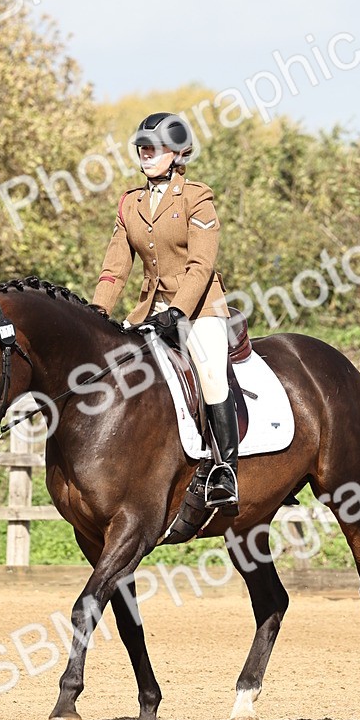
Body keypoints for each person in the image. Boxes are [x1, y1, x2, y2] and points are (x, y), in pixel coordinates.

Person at [91, 112, 239, 511]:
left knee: (209, 372)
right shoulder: (130, 203)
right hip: (149, 310)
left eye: (154, 147)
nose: (145, 153)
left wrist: (177, 311)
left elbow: (201, 265)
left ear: (176, 153)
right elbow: (115, 269)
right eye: (142, 146)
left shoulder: (197, 197)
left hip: (200, 307)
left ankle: (226, 470)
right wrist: (97, 311)